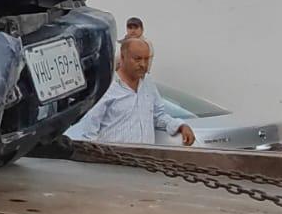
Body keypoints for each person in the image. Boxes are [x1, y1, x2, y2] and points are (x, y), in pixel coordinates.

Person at [64, 37, 194, 145]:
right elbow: (89, 130)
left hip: (146, 163)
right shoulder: (107, 86)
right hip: (115, 164)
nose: (143, 64)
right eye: (137, 59)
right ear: (123, 57)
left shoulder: (147, 83)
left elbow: (158, 115)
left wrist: (180, 125)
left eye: (146, 59)